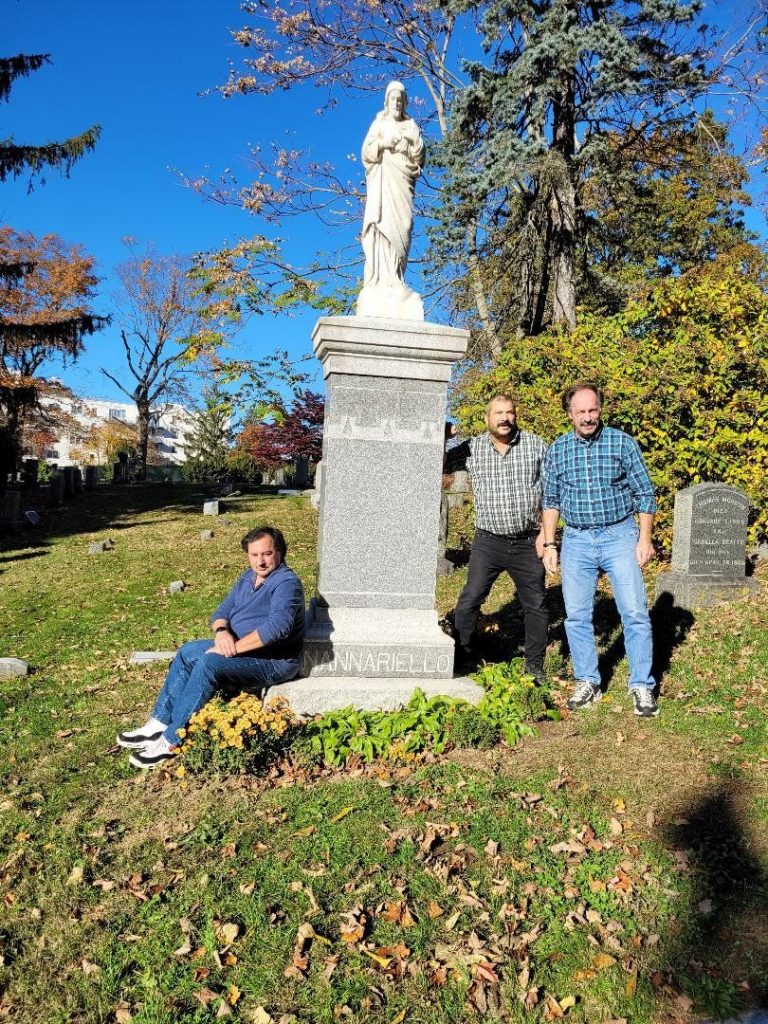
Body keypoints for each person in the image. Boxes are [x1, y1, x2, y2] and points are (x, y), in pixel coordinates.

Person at [117, 526, 305, 768]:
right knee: (187, 652)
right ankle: (158, 724)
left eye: (266, 554)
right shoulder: (247, 578)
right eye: (254, 555)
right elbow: (222, 612)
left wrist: (233, 648)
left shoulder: (286, 583)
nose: (260, 561)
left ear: (278, 552)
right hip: (239, 648)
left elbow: (278, 627)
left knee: (209, 664)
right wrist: (221, 632)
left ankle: (172, 740)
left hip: (273, 661)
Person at [541, 383, 659, 718]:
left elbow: (645, 494)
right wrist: (550, 543)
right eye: (581, 412)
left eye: (593, 410)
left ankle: (642, 685)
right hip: (577, 539)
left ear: (600, 409)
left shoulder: (622, 442)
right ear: (570, 414)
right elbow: (550, 501)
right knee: (577, 616)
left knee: (634, 612)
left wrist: (644, 539)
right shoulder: (559, 449)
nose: (588, 417)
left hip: (620, 535)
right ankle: (588, 681)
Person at [445, 394, 548, 678]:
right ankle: (464, 656)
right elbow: (438, 465)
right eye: (498, 413)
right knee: (470, 599)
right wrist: (442, 436)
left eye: (510, 412)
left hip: (528, 540)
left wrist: (546, 534)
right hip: (488, 541)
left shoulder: (535, 445)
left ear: (516, 415)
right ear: (487, 418)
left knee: (536, 604)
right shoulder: (472, 448)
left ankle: (534, 667)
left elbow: (553, 490)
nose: (504, 418)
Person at [360, 80, 425, 294]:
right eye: (393, 99)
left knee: (403, 227)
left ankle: (396, 276)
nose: (396, 103)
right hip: (382, 182)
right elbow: (366, 153)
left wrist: (412, 140)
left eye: (400, 100)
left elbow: (419, 157)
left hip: (402, 183)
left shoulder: (411, 126)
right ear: (387, 102)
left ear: (404, 103)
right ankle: (381, 279)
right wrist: (383, 144)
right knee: (381, 225)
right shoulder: (379, 124)